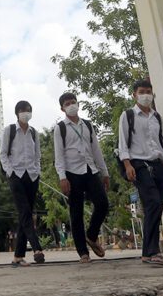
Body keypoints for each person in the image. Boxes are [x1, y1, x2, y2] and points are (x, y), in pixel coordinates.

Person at [119, 78, 163, 267]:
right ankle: (152, 251)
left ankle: (148, 253)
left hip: (157, 164)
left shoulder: (157, 117)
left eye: (148, 91)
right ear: (134, 94)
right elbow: (122, 142)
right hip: (139, 164)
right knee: (153, 203)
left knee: (155, 208)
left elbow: (161, 141)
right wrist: (127, 165)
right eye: (142, 91)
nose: (146, 95)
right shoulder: (128, 115)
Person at [53, 91, 110, 264]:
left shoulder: (87, 125)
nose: (71, 105)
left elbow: (96, 150)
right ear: (62, 108)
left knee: (102, 203)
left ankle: (91, 235)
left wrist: (104, 172)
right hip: (72, 173)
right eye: (67, 103)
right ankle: (83, 253)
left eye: (73, 102)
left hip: (90, 170)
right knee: (76, 213)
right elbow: (59, 155)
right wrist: (62, 177)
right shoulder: (60, 128)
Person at [0, 100, 45, 266]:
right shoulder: (9, 131)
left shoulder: (34, 133)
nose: (27, 113)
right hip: (16, 175)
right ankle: (37, 249)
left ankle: (18, 256)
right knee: (25, 212)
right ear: (17, 113)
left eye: (29, 110)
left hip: (32, 176)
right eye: (24, 110)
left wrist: (37, 170)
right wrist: (10, 172)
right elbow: (3, 154)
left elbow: (38, 155)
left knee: (25, 215)